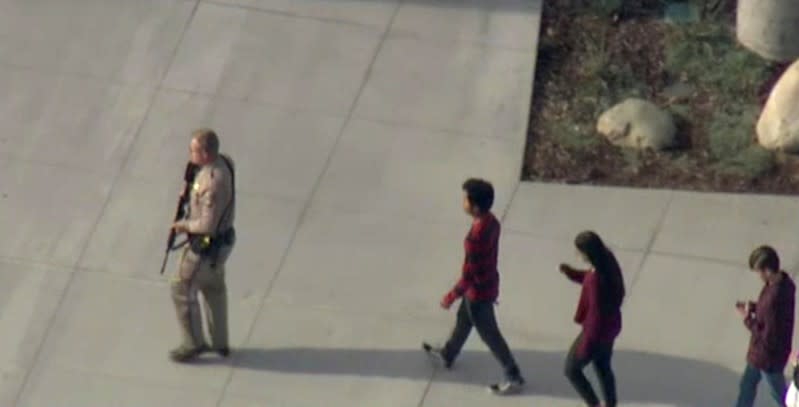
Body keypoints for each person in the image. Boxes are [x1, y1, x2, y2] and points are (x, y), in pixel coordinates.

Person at [422, 178, 524, 395]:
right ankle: (448, 355)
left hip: (479, 292)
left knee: (490, 335)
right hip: (487, 285)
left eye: (465, 199)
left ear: (475, 206)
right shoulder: (492, 222)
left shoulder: (475, 238)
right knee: (463, 320)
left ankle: (513, 374)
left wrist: (450, 296)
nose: (463, 202)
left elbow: (470, 274)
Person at [168, 128, 237, 363]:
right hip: (222, 244)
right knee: (214, 288)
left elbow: (207, 223)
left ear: (206, 154)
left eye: (194, 150)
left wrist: (183, 226)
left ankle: (193, 342)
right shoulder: (224, 164)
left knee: (181, 287)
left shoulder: (211, 183)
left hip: (206, 247)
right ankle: (220, 342)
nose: (190, 153)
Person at [559, 231, 625, 407]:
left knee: (571, 369)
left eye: (579, 251)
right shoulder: (607, 261)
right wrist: (572, 273)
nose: (577, 255)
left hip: (595, 334)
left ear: (588, 253)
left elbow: (596, 315)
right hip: (611, 328)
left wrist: (586, 346)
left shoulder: (597, 281)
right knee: (603, 368)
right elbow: (589, 277)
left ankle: (593, 403)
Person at [734, 245, 795, 407]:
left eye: (759, 271)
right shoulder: (785, 284)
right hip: (766, 354)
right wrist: (754, 307)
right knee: (747, 386)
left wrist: (747, 318)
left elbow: (766, 335)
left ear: (767, 270)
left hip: (767, 357)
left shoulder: (773, 299)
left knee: (780, 396)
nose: (758, 275)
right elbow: (772, 317)